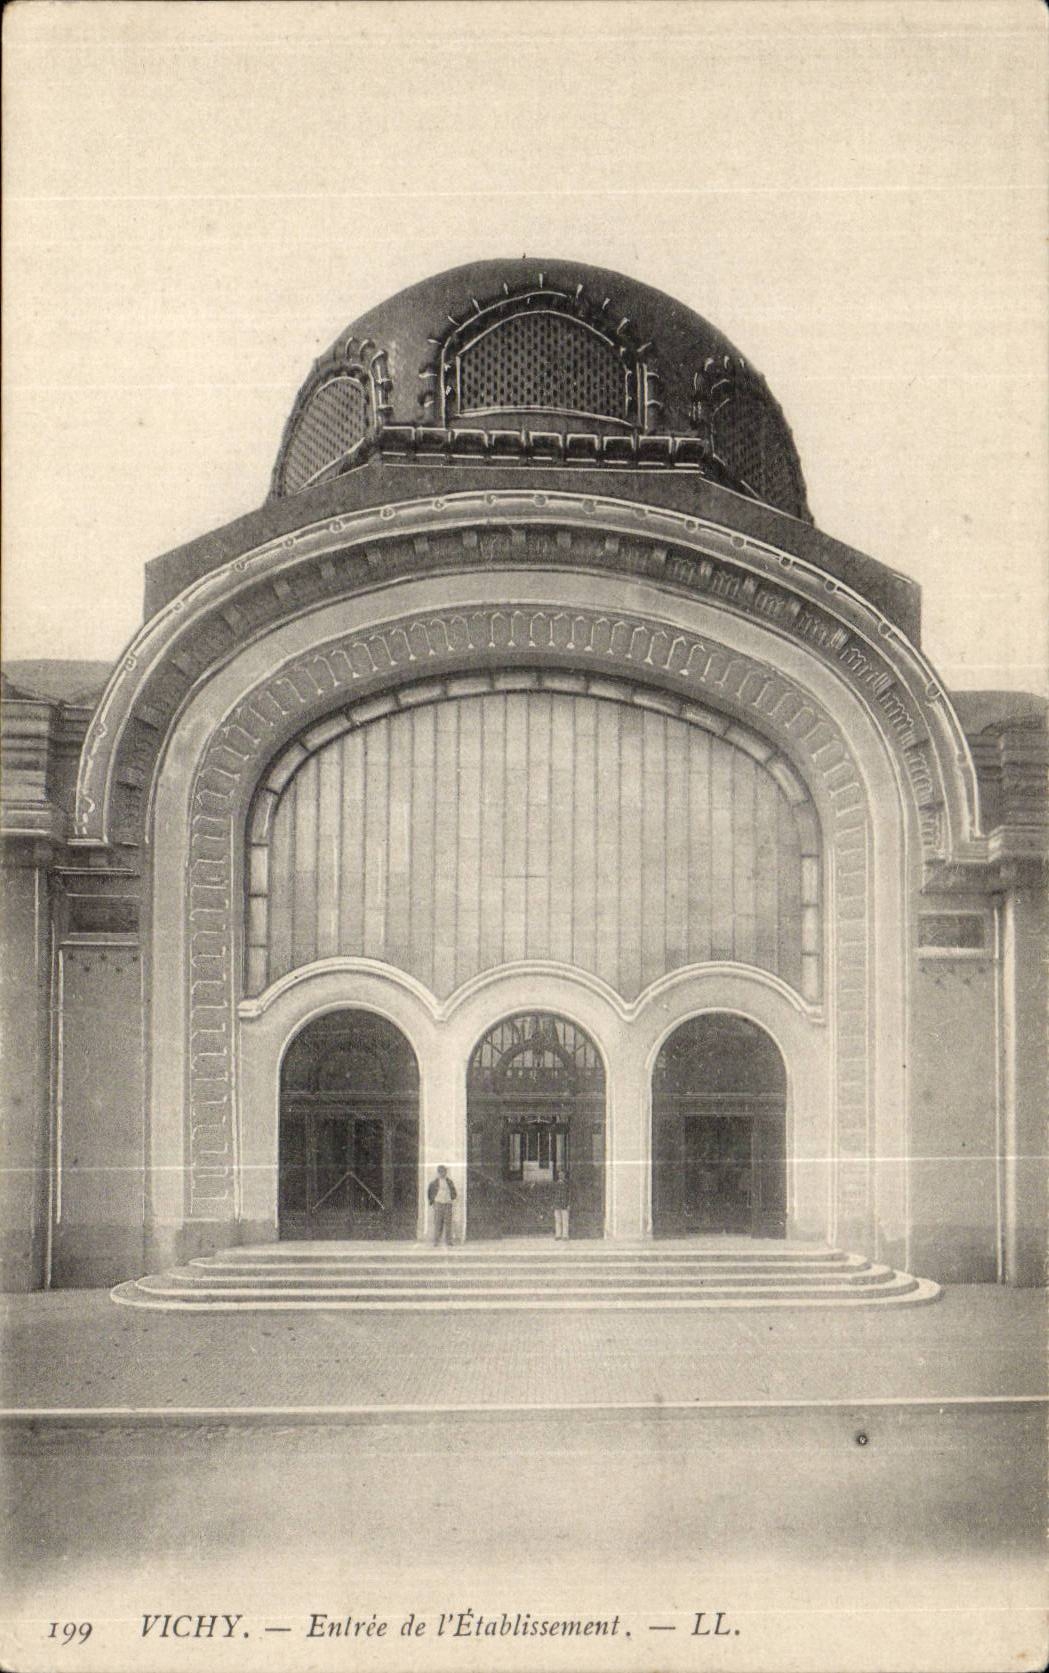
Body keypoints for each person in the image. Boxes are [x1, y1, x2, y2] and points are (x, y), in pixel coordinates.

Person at [427, 1165, 457, 1247]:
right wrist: (432, 1201)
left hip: (447, 1203)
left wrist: (452, 1198)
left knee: (448, 1223)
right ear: (438, 1173)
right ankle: (436, 1241)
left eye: (444, 1172)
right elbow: (430, 1192)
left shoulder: (449, 1182)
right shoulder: (434, 1183)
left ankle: (449, 1241)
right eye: (440, 1172)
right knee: (437, 1223)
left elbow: (454, 1192)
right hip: (438, 1204)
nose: (442, 1174)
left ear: (446, 1172)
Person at [553, 1170, 571, 1240]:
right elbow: (553, 1195)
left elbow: (569, 1195)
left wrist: (569, 1204)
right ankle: (558, 1235)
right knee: (558, 1220)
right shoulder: (555, 1184)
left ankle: (565, 1235)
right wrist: (554, 1204)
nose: (561, 1176)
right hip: (557, 1204)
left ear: (564, 1175)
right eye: (559, 1175)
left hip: (564, 1204)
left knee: (565, 1220)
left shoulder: (567, 1184)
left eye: (562, 1174)